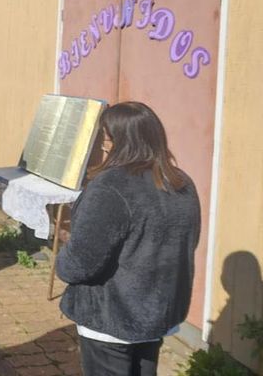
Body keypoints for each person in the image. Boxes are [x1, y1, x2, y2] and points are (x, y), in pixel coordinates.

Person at [55, 102, 201, 376]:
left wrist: (64, 247)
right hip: (157, 312)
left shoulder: (110, 186)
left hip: (110, 316)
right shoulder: (180, 182)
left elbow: (79, 264)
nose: (103, 146)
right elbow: (186, 243)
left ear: (119, 141)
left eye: (106, 139)